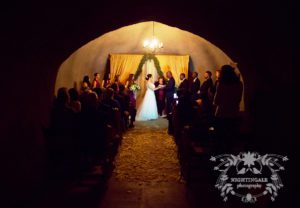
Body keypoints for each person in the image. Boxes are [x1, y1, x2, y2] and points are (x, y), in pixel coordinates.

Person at [213, 65, 243, 150]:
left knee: (220, 139)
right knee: (231, 139)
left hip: (221, 114)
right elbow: (238, 99)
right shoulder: (239, 84)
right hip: (234, 114)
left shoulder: (221, 84)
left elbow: (216, 101)